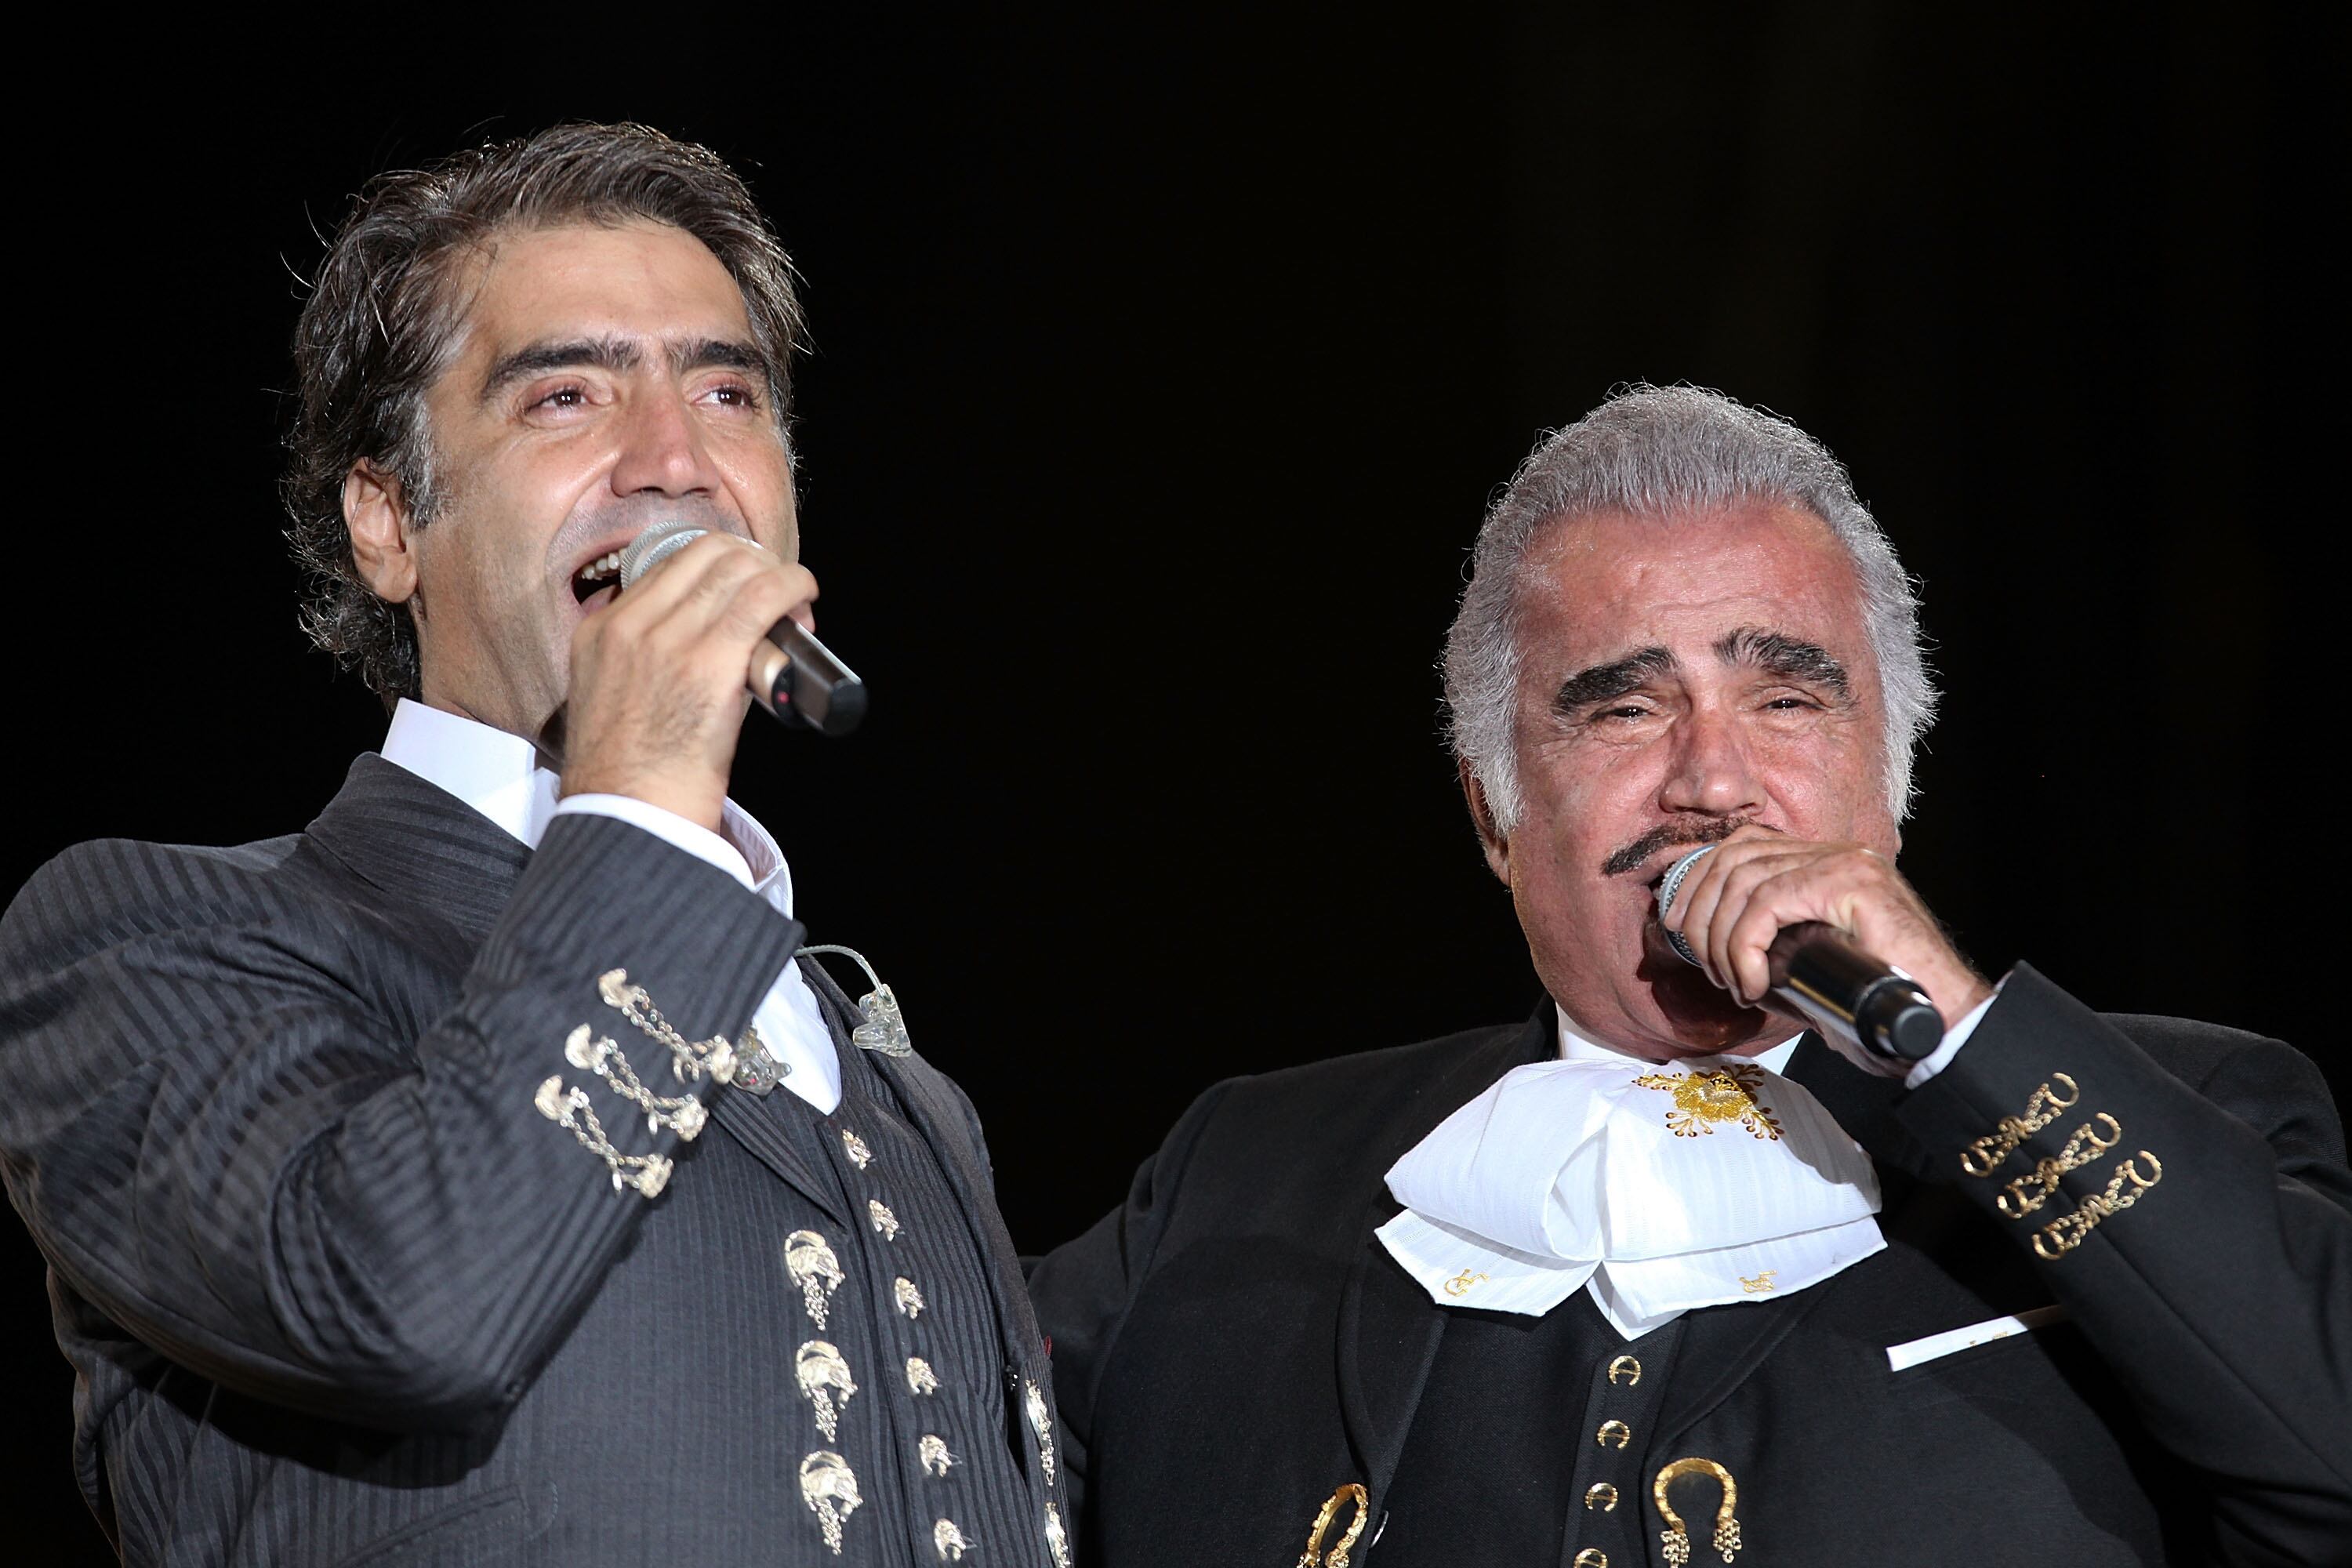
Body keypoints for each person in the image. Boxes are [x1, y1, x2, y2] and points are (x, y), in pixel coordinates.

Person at [1028, 385, 2352, 1566]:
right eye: (1624, 707)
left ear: (1890, 790)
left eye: (1788, 700)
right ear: (1496, 816)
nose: (1713, 784)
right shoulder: (1241, 1177)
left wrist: (1959, 1030)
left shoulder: (2196, 1110)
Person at [0, 123, 1070, 1567]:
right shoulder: (153, 938)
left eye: (728, 390)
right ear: (387, 522)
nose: (676, 462)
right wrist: (636, 797)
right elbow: (396, 1305)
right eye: (566, 396)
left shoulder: (898, 1085)